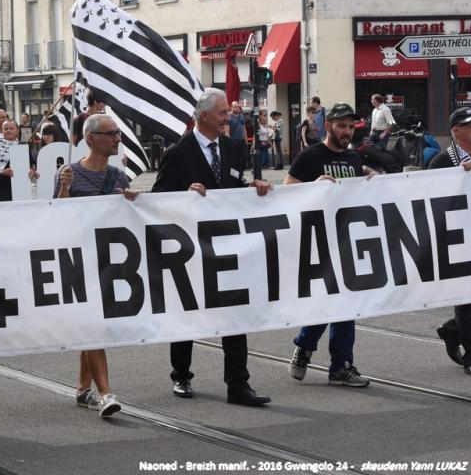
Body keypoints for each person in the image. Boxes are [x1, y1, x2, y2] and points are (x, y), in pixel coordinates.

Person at [152, 88, 272, 407]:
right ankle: (181, 375)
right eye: (222, 113)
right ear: (203, 116)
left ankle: (238, 385)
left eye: (227, 113)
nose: (227, 118)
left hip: (227, 244)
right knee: (187, 312)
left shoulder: (233, 149)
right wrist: (183, 192)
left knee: (236, 314)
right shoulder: (178, 153)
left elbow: (234, 188)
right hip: (190, 248)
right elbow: (158, 197)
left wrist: (253, 188)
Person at [55, 113, 138, 418]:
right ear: (91, 139)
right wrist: (64, 189)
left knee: (91, 326)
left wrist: (132, 201)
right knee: (93, 327)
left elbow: (132, 218)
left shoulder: (119, 176)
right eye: (110, 133)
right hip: (78, 261)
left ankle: (82, 389)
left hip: (109, 260)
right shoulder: (70, 174)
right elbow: (55, 219)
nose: (117, 138)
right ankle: (105, 393)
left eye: (118, 133)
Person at [285, 103, 371, 387]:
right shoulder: (309, 156)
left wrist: (373, 184)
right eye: (342, 126)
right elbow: (286, 192)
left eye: (350, 127)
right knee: (326, 301)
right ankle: (306, 346)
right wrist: (311, 186)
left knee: (346, 303)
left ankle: (341, 365)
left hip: (347, 240)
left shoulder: (353, 159)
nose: (347, 132)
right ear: (328, 125)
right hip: (316, 242)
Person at [429, 106, 471, 376]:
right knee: (468, 298)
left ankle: (453, 329)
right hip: (458, 240)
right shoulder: (442, 162)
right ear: (456, 132)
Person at [227, 101, 247, 178]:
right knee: (234, 160)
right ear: (231, 108)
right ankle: (236, 176)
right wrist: (229, 142)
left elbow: (244, 129)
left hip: (242, 141)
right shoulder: (229, 117)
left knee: (245, 157)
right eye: (235, 107)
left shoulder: (241, 116)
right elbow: (227, 131)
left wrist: (245, 140)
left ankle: (240, 174)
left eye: (238, 107)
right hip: (233, 141)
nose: (237, 108)